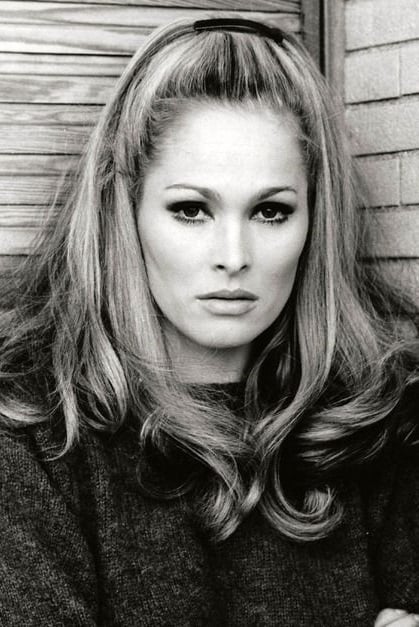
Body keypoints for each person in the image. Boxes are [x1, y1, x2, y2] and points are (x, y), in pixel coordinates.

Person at [0, 15, 418, 627]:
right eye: (192, 209)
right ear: (127, 210)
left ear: (314, 221)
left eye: (271, 212)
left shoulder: (381, 421)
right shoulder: (35, 437)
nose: (234, 255)